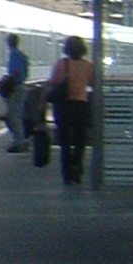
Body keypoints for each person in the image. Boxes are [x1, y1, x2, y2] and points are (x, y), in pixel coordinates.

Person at [46, 34, 95, 184]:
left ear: (66, 49)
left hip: (63, 106)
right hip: (81, 105)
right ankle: (77, 166)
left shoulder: (61, 64)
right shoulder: (88, 65)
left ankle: (67, 173)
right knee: (80, 139)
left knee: (65, 141)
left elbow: (53, 83)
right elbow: (92, 83)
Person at [0, 33, 31, 151]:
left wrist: (6, 80)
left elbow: (16, 73)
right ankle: (20, 140)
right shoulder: (22, 55)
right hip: (20, 87)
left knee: (12, 116)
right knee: (14, 115)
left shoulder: (14, 54)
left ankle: (19, 142)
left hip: (15, 88)